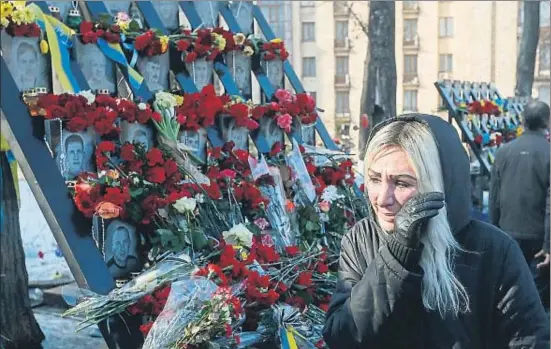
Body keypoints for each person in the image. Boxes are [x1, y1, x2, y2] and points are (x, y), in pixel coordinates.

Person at [323, 114, 550, 348]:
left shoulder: (493, 250)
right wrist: (395, 258)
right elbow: (342, 337)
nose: (382, 199)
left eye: (401, 183)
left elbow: (528, 340)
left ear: (439, 184)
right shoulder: (362, 239)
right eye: (374, 179)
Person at [489, 100, 550, 310]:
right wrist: (548, 245)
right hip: (539, 238)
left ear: (522, 121)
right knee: (537, 301)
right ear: (547, 122)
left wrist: (493, 232)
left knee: (510, 293)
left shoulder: (503, 152)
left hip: (507, 232)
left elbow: (494, 198)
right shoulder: (548, 153)